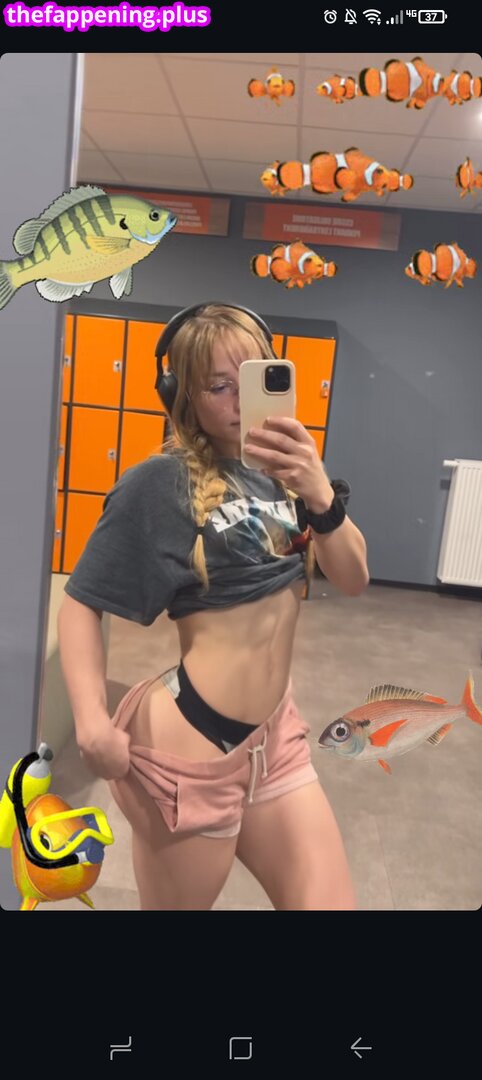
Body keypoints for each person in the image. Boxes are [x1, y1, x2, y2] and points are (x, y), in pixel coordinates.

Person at [57, 302, 369, 911]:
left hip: (274, 737)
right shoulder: (159, 484)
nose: (237, 401)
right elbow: (81, 604)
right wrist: (91, 721)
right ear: (182, 397)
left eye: (248, 379)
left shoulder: (286, 473)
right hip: (192, 749)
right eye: (217, 386)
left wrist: (319, 490)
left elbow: (353, 579)